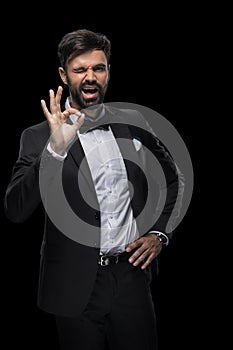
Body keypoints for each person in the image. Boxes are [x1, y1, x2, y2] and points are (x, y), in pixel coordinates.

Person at [4, 28, 184, 350]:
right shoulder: (37, 137)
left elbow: (173, 179)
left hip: (131, 276)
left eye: (98, 69)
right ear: (63, 74)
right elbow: (16, 209)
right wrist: (55, 150)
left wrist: (159, 234)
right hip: (74, 284)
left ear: (108, 72)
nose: (90, 77)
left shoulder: (133, 121)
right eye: (80, 70)